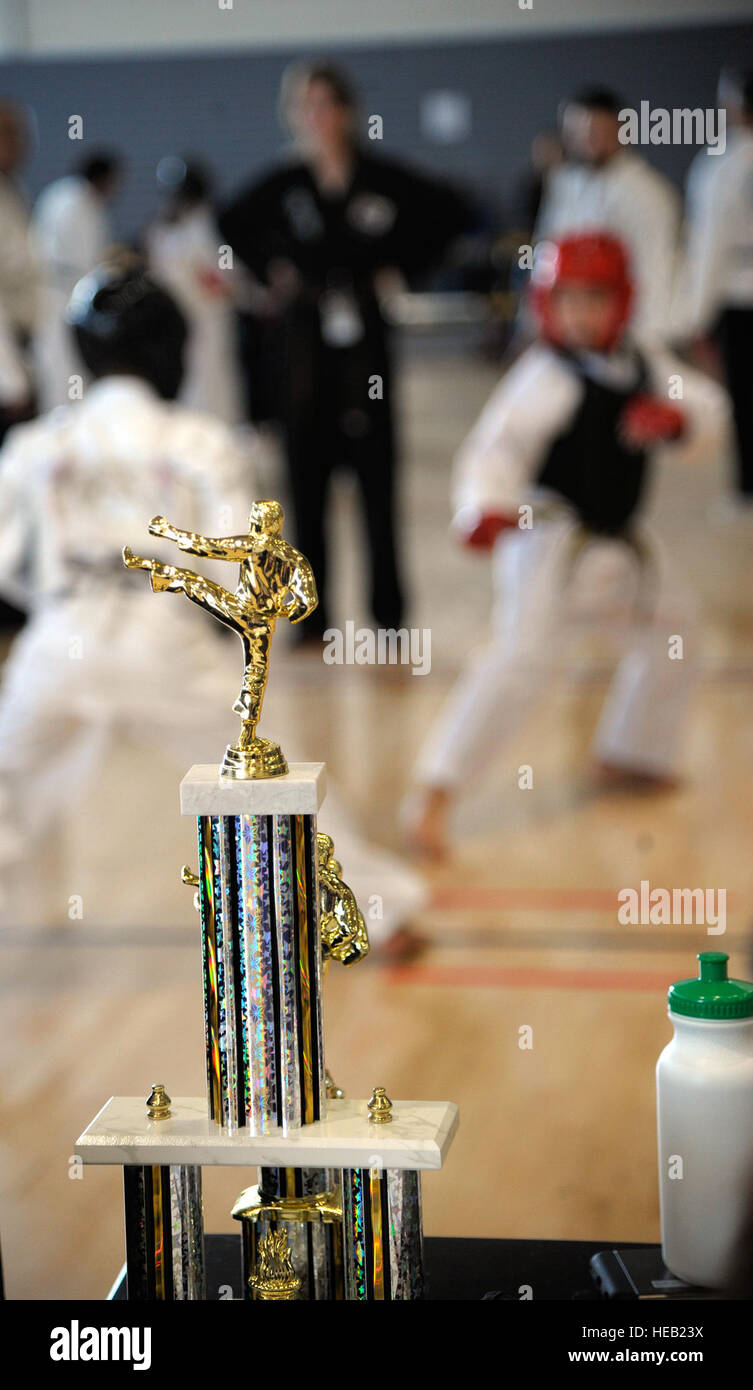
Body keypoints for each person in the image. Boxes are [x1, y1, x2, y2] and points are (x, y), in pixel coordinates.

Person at [406, 233, 729, 859]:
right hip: (548, 543)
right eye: (568, 300)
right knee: (520, 662)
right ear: (546, 304)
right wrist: (482, 510)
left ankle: (633, 752)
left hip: (622, 547)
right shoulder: (542, 376)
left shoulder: (644, 363)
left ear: (624, 302)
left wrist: (680, 422)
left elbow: (710, 406)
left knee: (677, 633)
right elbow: (493, 450)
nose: (581, 314)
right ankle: (434, 793)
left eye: (595, 299)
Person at [0, 261, 253, 901]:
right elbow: (237, 570)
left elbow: (3, 560)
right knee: (261, 786)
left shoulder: (40, 444)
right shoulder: (197, 440)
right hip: (163, 636)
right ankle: (371, 911)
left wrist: (48, 605)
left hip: (60, 639)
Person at [219, 59, 472, 639]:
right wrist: (273, 272)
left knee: (376, 480)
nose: (319, 118)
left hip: (365, 345)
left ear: (349, 112)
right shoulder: (282, 187)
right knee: (306, 485)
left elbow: (451, 214)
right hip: (303, 347)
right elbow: (230, 222)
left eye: (329, 105)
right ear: (293, 116)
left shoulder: (381, 179)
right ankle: (314, 617)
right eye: (307, 107)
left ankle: (389, 616)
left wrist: (398, 267)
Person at [535, 88, 680, 347]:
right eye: (575, 132)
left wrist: (648, 340)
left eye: (595, 131)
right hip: (570, 332)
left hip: (625, 333)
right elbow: (546, 256)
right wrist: (540, 321)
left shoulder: (646, 193)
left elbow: (655, 271)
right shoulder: (565, 184)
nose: (585, 140)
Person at [673, 70, 753, 510]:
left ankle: (746, 488)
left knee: (743, 396)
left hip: (739, 296)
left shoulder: (723, 164)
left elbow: (710, 244)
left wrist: (693, 314)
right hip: (739, 288)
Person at [146, 159, 244, 424]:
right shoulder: (178, 228)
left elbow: (224, 277)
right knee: (198, 385)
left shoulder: (187, 227)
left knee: (205, 385)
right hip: (189, 320)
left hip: (195, 321)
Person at [32, 151, 123, 411]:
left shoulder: (59, 194)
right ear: (104, 178)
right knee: (68, 377)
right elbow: (89, 262)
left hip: (53, 297)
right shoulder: (81, 203)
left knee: (59, 375)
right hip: (67, 299)